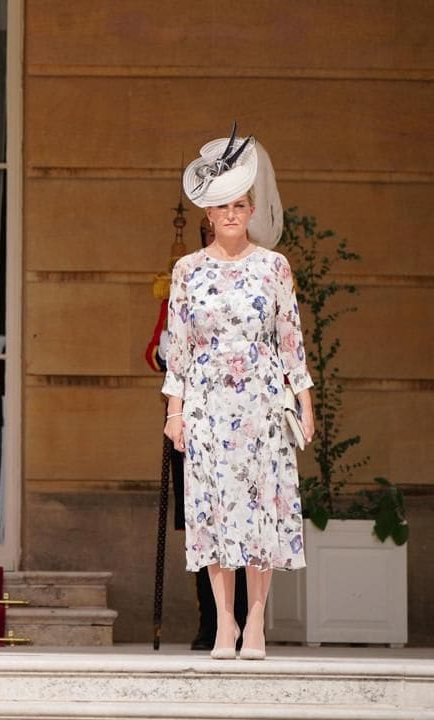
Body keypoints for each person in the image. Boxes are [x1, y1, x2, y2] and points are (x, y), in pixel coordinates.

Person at [163, 126, 314, 660]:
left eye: (240, 204)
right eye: (222, 205)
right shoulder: (187, 271)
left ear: (252, 210)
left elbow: (290, 339)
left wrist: (305, 403)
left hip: (263, 403)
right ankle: (224, 623)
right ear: (208, 213)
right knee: (214, 513)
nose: (231, 213)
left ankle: (256, 624)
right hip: (206, 404)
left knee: (262, 513)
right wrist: (174, 413)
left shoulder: (274, 267)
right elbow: (177, 348)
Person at [146, 217, 247, 651]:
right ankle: (212, 621)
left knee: (245, 522)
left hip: (242, 420)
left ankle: (245, 619)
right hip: (196, 418)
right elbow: (154, 351)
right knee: (203, 526)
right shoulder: (184, 282)